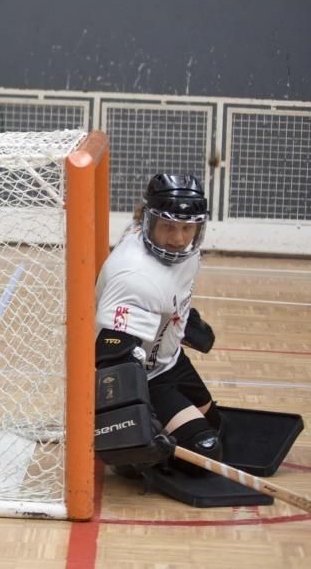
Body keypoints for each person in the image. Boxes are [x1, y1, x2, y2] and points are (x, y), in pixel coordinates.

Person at [93, 173, 220, 476]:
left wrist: (184, 323)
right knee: (205, 451)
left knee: (217, 427)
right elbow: (112, 358)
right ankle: (129, 460)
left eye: (187, 228)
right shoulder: (134, 277)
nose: (178, 238)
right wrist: (137, 424)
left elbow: (171, 294)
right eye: (168, 227)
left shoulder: (184, 253)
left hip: (170, 360)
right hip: (145, 376)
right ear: (149, 222)